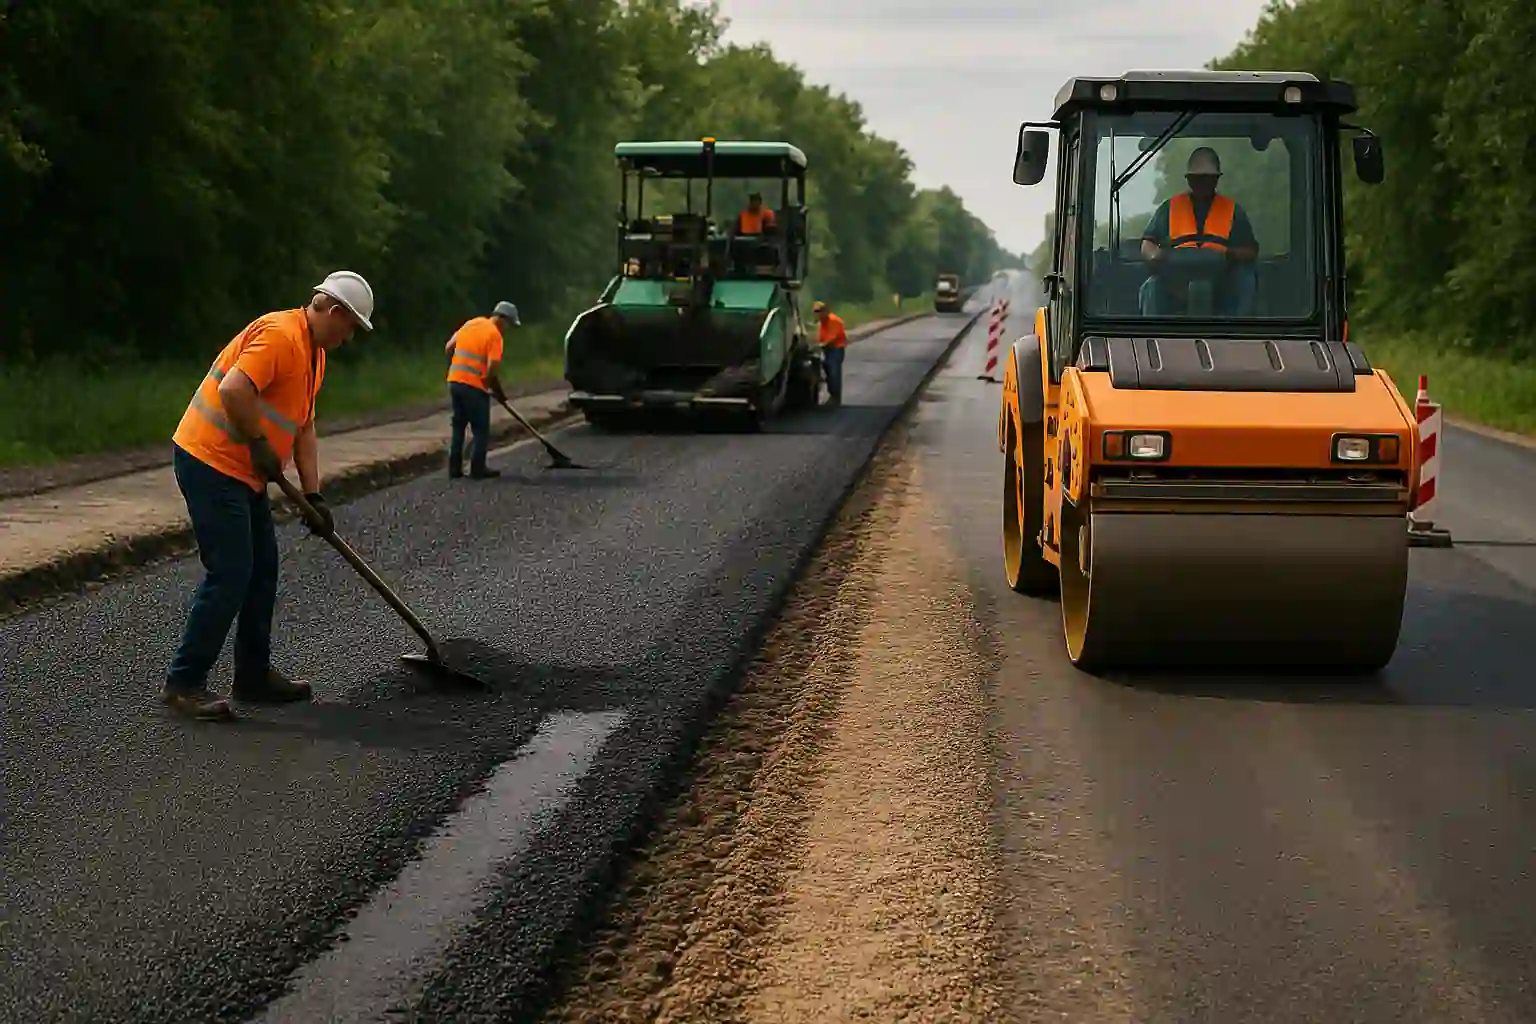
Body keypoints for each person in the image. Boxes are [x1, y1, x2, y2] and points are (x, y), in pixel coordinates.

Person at [164, 270, 375, 720]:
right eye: (350, 326)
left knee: (263, 571)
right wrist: (259, 445)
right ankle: (184, 683)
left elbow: (304, 427)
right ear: (333, 312)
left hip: (245, 473)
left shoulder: (314, 354)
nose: (349, 337)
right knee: (232, 571)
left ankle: (253, 676)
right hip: (210, 462)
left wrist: (314, 495)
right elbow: (233, 389)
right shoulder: (280, 334)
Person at [1138, 147, 1259, 315]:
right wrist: (1155, 255)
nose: (1202, 183)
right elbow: (1147, 243)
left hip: (1222, 284)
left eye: (1208, 178)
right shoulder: (1169, 208)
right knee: (1152, 286)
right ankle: (1153, 336)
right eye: (1197, 178)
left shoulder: (1233, 211)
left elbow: (1250, 251)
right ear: (1189, 179)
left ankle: (1240, 336)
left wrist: (1230, 254)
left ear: (1216, 179)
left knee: (1245, 280)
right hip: (1175, 283)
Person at [445, 300, 519, 479]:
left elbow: (449, 347)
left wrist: (455, 368)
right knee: (480, 429)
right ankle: (478, 469)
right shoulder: (494, 335)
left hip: (454, 382)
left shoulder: (471, 323)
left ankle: (454, 469)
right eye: (508, 324)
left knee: (459, 426)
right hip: (474, 387)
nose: (507, 329)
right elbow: (492, 367)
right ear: (503, 319)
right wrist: (496, 389)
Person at [813, 300, 847, 406]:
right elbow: (821, 337)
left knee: (834, 372)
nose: (818, 314)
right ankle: (833, 396)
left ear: (825, 311)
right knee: (828, 370)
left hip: (836, 349)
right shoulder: (822, 322)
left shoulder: (833, 320)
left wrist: (821, 345)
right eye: (816, 311)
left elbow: (833, 337)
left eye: (819, 311)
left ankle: (835, 398)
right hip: (828, 349)